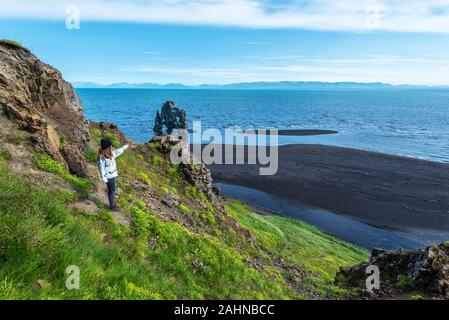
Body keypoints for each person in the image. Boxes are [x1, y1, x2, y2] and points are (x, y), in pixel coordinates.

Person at [97, 138, 129, 210]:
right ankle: (112, 205)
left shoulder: (111, 154)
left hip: (112, 175)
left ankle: (112, 202)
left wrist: (125, 147)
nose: (111, 147)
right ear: (107, 147)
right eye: (110, 146)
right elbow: (101, 168)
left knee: (112, 190)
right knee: (112, 190)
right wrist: (104, 178)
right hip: (109, 177)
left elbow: (118, 152)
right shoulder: (102, 157)